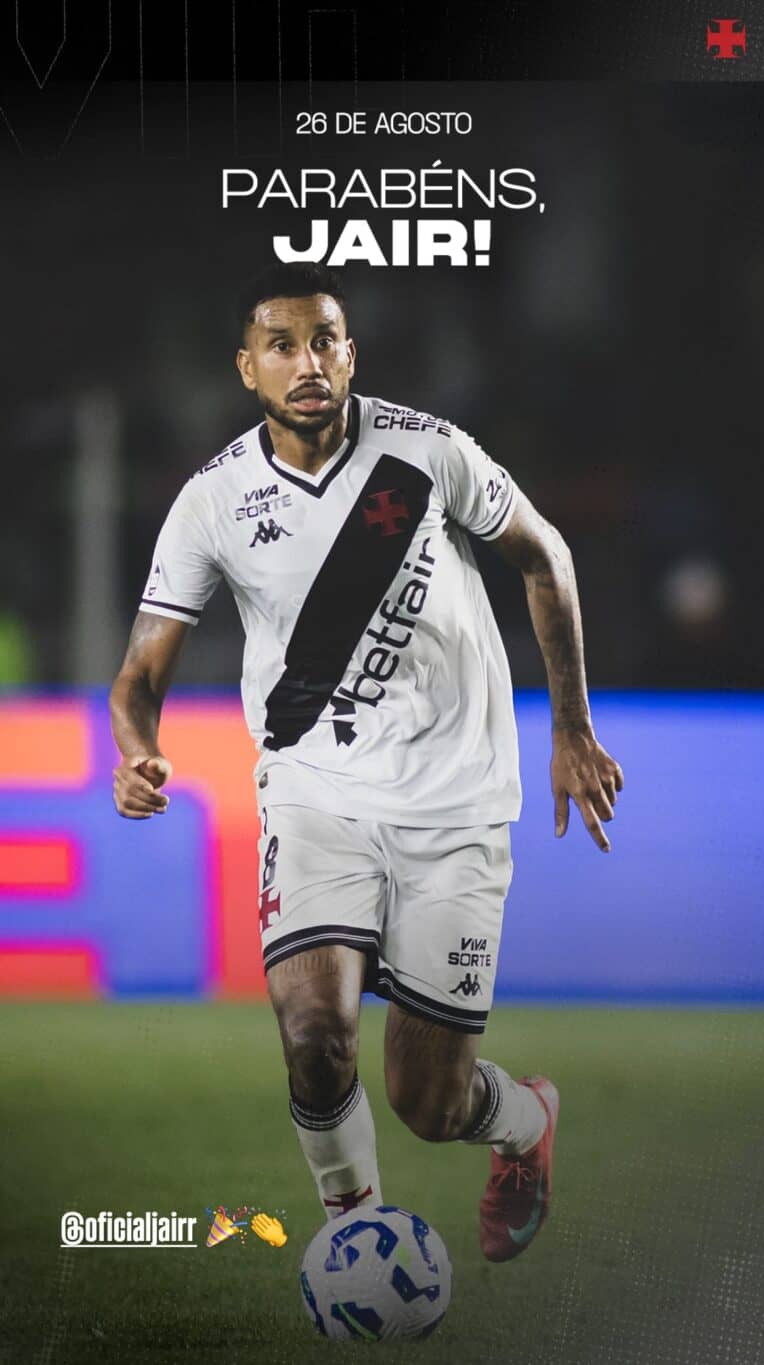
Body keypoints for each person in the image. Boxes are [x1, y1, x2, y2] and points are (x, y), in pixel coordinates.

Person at [110, 261, 623, 1263]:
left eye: (325, 341)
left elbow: (543, 555)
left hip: (459, 800)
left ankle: (523, 1124)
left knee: (428, 1102)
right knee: (314, 1036)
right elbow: (138, 676)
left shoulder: (423, 452)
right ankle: (359, 1237)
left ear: (352, 354)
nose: (307, 363)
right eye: (282, 346)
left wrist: (570, 727)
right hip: (315, 796)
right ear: (247, 369)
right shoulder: (213, 500)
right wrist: (138, 752)